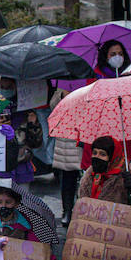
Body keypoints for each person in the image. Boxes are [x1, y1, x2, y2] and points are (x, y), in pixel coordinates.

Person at [50, 87, 84, 223]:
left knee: (87, 180)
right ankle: (67, 211)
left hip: (85, 137)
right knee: (68, 178)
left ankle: (84, 211)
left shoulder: (92, 84)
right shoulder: (62, 88)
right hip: (67, 139)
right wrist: (62, 95)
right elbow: (53, 106)